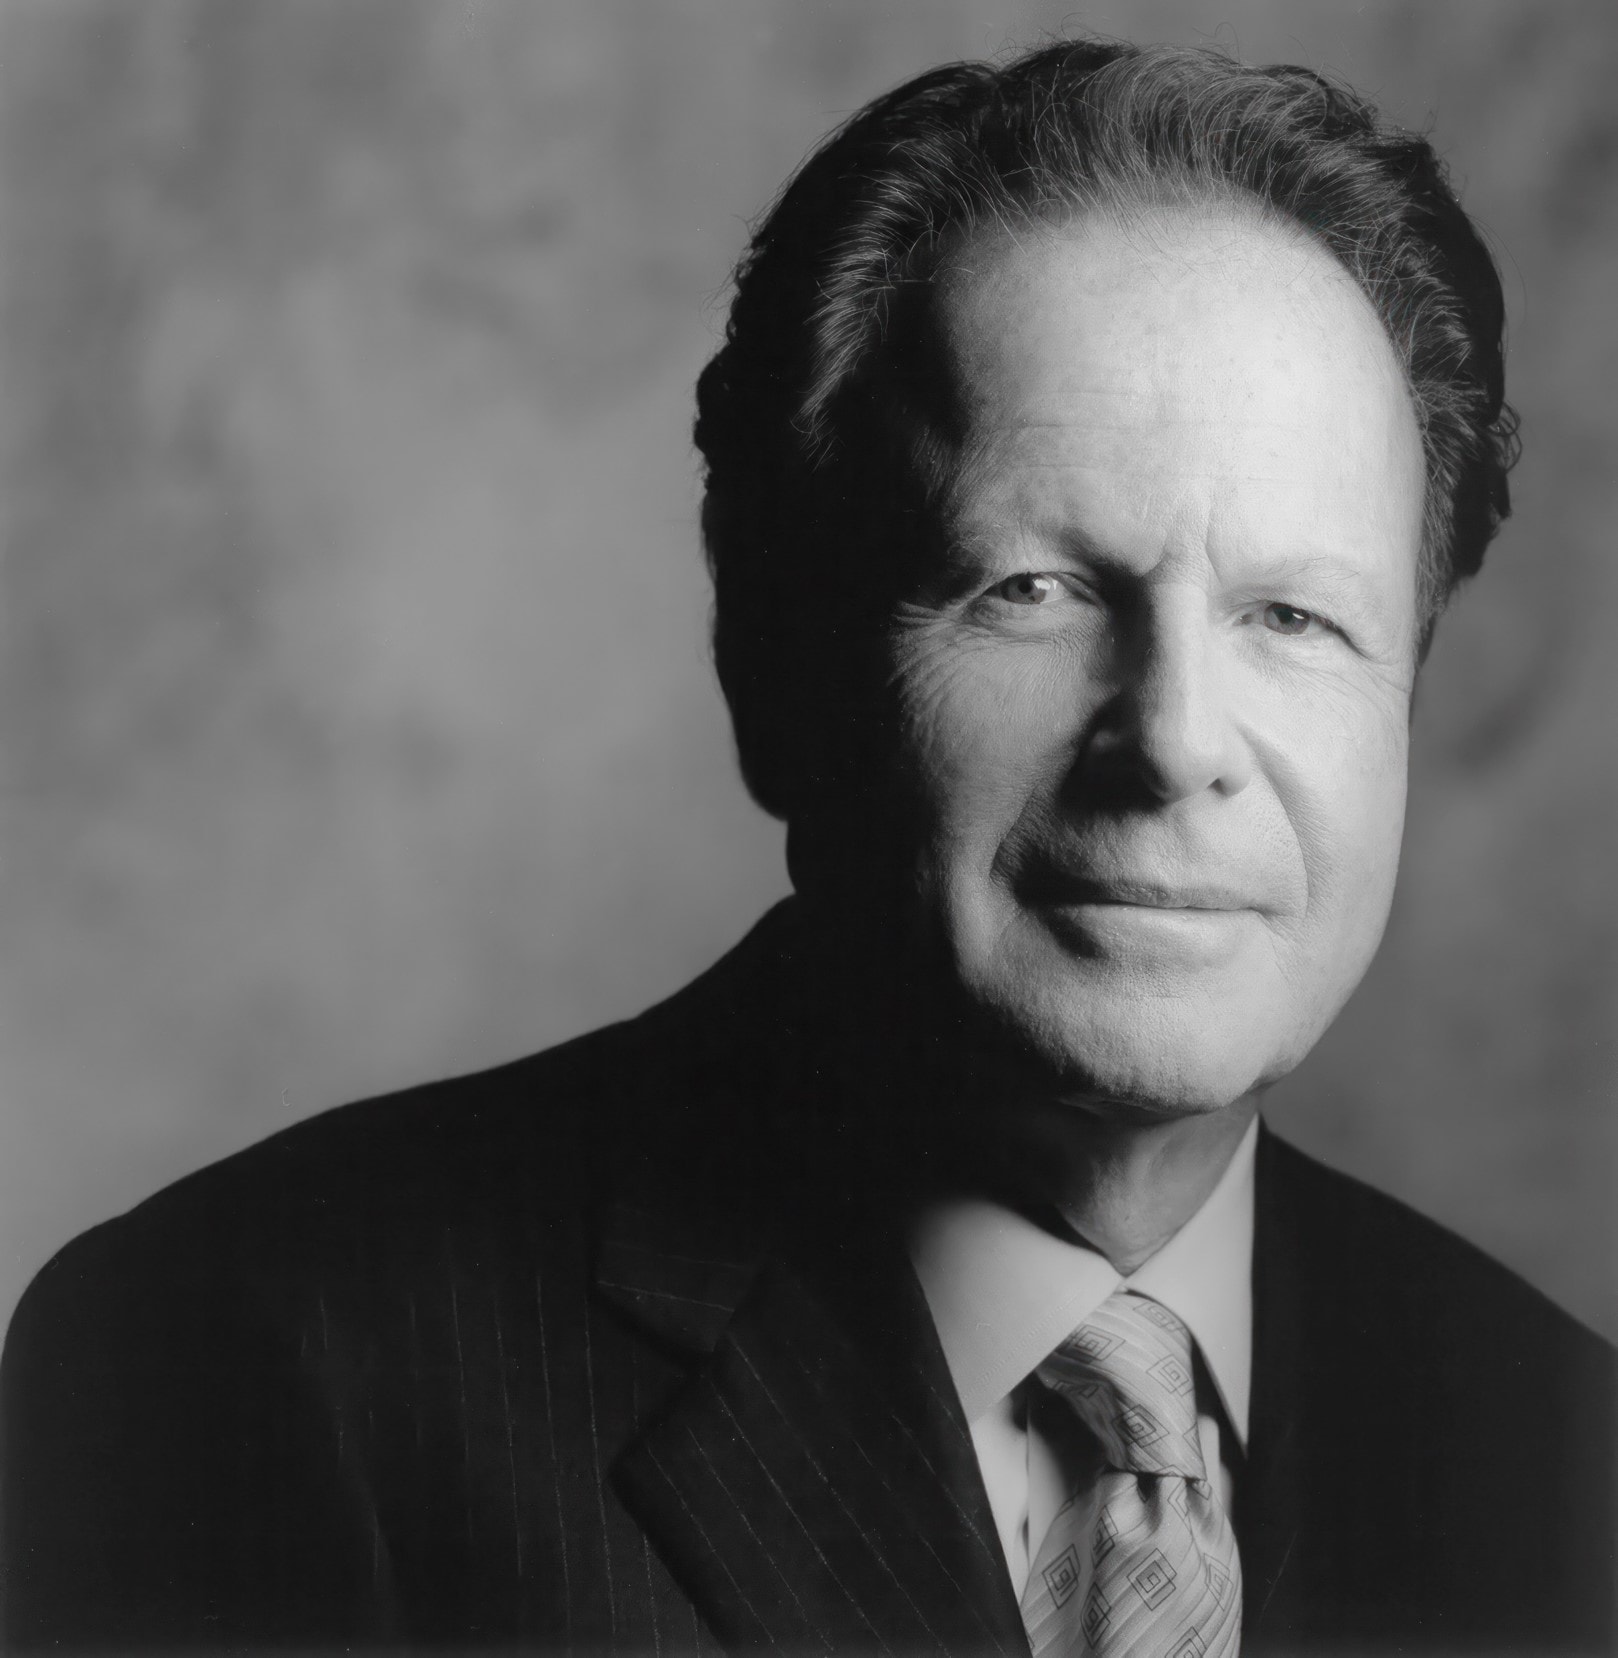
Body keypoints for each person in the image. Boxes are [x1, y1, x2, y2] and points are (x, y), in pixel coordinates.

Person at [2, 37, 1611, 1657]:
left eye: (1295, 615)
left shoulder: (1560, 1452)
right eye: (1032, 589)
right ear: (774, 661)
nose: (1177, 741)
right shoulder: (247, 1362)